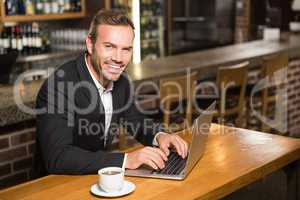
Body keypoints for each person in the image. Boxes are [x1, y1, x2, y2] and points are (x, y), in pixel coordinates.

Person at [31, 9, 188, 178]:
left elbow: (135, 120)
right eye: (109, 46)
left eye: (126, 49)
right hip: (55, 184)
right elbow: (58, 157)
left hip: (97, 177)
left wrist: (161, 136)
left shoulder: (122, 80)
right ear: (90, 45)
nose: (118, 58)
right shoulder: (59, 85)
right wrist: (126, 160)